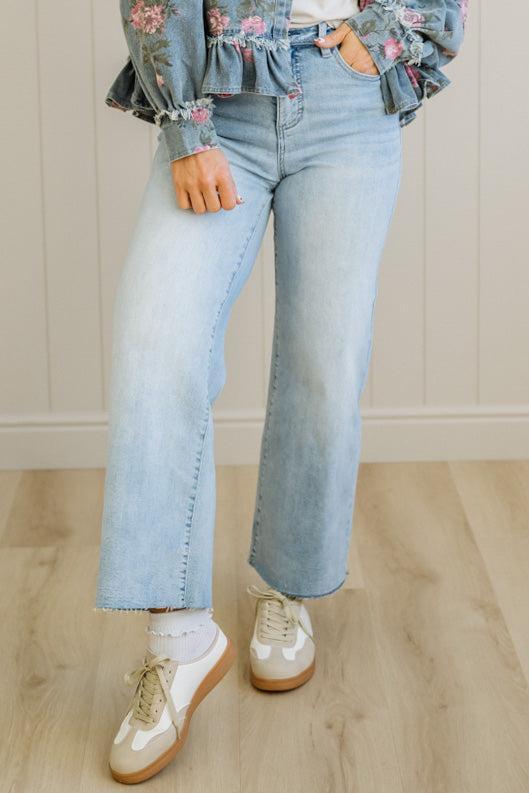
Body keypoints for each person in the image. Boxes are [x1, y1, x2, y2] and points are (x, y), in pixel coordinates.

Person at [95, 0, 468, 784]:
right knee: (155, 347)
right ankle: (180, 642)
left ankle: (284, 585)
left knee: (323, 364)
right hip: (219, 93)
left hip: (346, 105)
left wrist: (385, 31)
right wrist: (184, 126)